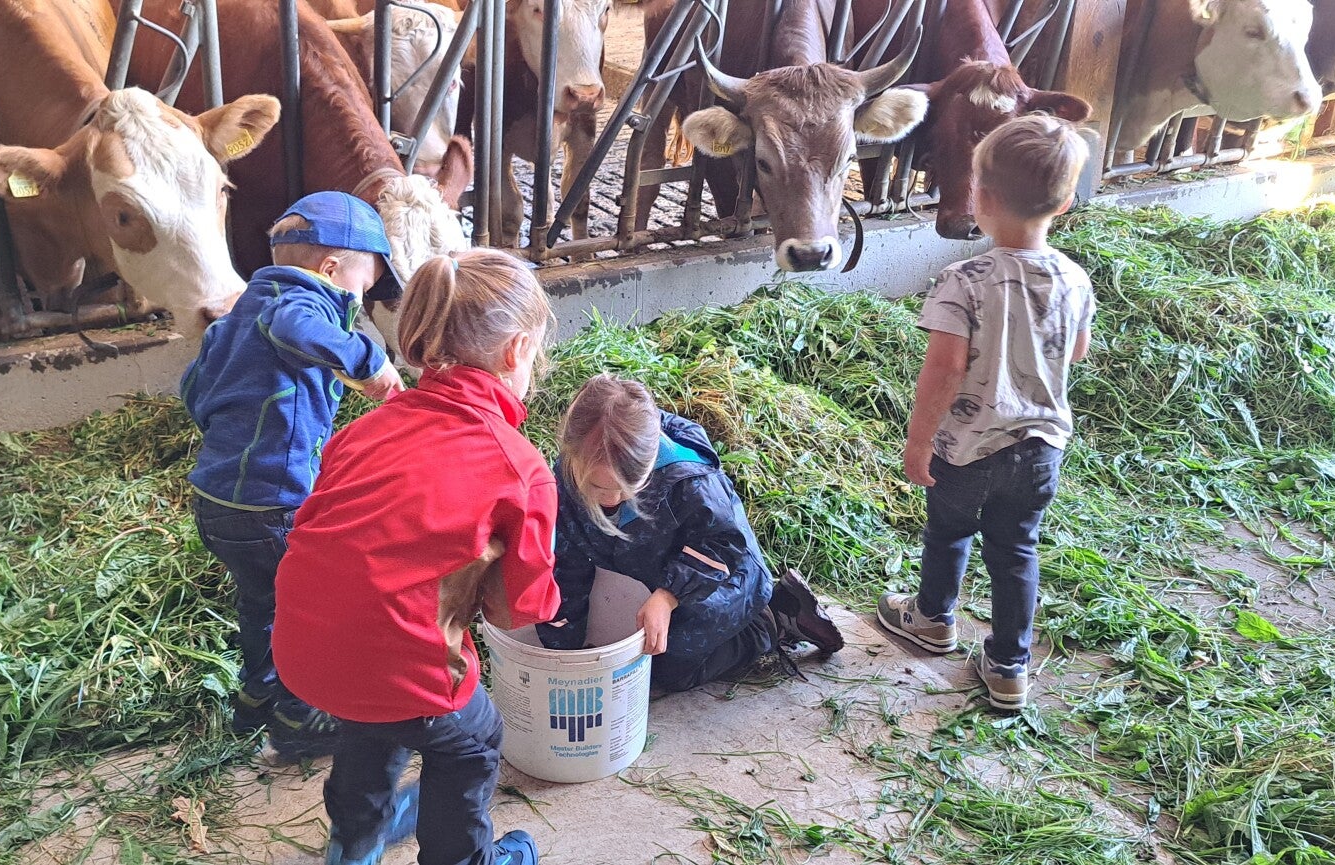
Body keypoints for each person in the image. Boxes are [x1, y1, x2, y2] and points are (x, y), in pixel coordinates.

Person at [272, 250, 559, 865]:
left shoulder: (362, 431)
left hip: (303, 650)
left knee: (371, 707)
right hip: (391, 662)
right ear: (517, 351)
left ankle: (355, 840)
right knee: (476, 738)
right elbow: (517, 610)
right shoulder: (520, 467)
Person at [877, 114, 1096, 712]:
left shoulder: (962, 281)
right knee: (1017, 549)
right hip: (1041, 448)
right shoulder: (1074, 279)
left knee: (948, 530)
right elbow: (1076, 350)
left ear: (982, 197)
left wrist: (919, 440)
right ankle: (1008, 667)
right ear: (1065, 203)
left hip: (968, 447)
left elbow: (945, 369)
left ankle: (932, 618)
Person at [180, 191, 407, 760]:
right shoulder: (294, 305)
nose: (359, 302)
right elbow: (295, 327)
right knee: (309, 607)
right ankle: (297, 718)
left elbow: (194, 387)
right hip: (271, 502)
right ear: (329, 269)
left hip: (217, 499)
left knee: (262, 601)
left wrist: (229, 429)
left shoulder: (238, 316)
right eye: (361, 288)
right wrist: (372, 363)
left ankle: (255, 698)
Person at [540, 374, 845, 692]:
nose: (611, 499)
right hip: (642, 567)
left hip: (716, 579)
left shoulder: (690, 484)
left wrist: (668, 596)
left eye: (627, 488)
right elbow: (566, 561)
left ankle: (773, 620)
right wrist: (564, 652)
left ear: (650, 461)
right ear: (572, 455)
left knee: (661, 670)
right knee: (625, 656)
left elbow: (723, 545)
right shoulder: (566, 478)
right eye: (596, 487)